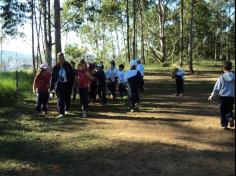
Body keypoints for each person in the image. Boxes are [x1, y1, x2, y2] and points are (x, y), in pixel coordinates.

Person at [208, 61, 235, 129]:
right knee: (229, 109)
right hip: (231, 97)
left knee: (223, 111)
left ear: (223, 68)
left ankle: (224, 125)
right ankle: (230, 117)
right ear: (231, 68)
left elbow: (217, 88)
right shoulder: (234, 76)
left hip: (223, 97)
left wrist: (212, 95)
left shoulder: (221, 77)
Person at [50, 52, 74, 118]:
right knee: (60, 99)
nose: (61, 59)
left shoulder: (68, 65)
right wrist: (51, 87)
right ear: (57, 59)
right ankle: (61, 112)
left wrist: (72, 85)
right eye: (59, 58)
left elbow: (72, 76)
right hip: (59, 85)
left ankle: (67, 109)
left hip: (67, 84)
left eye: (62, 58)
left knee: (67, 98)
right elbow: (53, 78)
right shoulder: (55, 67)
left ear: (64, 58)